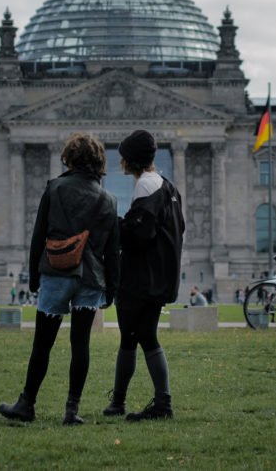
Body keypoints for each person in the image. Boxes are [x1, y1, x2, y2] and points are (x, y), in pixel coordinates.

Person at [0, 133, 119, 425]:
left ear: (69, 158)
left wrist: (32, 275)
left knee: (43, 343)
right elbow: (112, 250)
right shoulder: (109, 199)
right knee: (81, 345)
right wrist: (111, 289)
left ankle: (26, 404)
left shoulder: (55, 188)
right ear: (99, 162)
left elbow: (39, 234)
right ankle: (71, 410)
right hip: (90, 278)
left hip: (56, 272)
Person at [102, 129, 185, 422]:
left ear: (129, 160)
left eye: (123, 156)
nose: (120, 161)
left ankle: (156, 403)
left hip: (142, 276)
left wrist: (113, 224)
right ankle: (125, 401)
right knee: (138, 335)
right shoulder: (167, 186)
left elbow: (140, 234)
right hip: (159, 274)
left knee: (138, 335)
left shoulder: (146, 187)